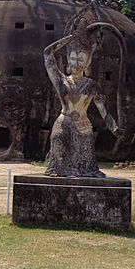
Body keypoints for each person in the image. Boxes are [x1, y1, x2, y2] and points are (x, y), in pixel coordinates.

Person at [43, 20, 120, 178]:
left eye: (81, 60)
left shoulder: (92, 85)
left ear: (87, 63)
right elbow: (47, 54)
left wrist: (114, 127)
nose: (77, 64)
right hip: (63, 123)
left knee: (85, 168)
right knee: (58, 165)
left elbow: (103, 111)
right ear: (68, 61)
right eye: (74, 59)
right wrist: (66, 41)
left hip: (83, 126)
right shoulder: (61, 80)